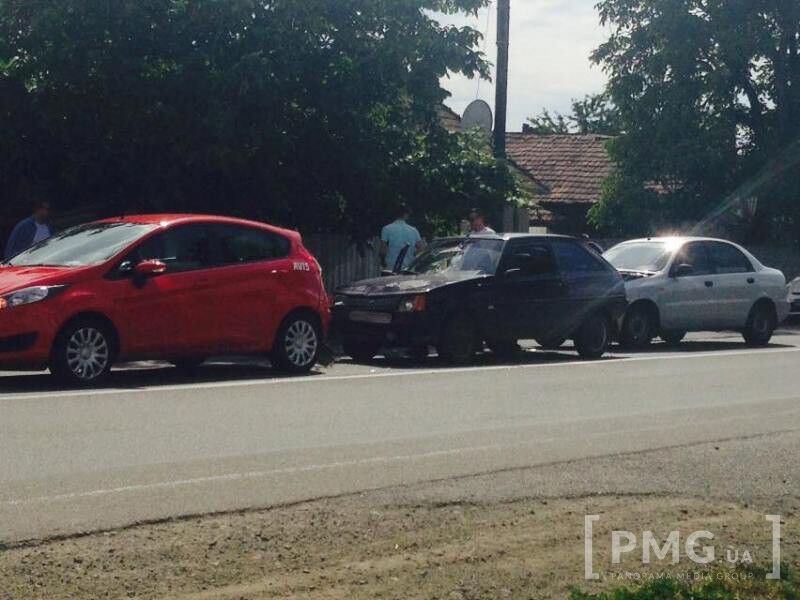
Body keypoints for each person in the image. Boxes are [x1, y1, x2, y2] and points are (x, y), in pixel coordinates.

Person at [381, 204, 425, 272]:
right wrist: (412, 254)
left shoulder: (386, 229)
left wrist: (382, 261)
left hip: (391, 266)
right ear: (406, 215)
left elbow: (383, 249)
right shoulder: (413, 230)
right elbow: (421, 248)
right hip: (408, 266)